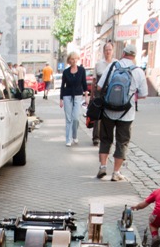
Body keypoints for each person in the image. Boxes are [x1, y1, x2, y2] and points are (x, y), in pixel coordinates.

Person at [96, 44, 148, 180]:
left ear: (123, 53)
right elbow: (143, 94)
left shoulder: (113, 66)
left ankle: (102, 167)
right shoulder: (138, 71)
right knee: (122, 142)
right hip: (127, 113)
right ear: (134, 56)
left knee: (105, 139)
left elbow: (99, 86)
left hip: (108, 110)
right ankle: (116, 173)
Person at [59, 52, 88, 147]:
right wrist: (61, 99)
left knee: (75, 117)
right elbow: (62, 86)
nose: (74, 60)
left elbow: (84, 84)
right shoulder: (66, 72)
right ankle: (68, 139)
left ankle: (74, 135)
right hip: (67, 96)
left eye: (75, 59)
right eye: (72, 59)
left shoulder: (81, 70)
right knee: (68, 118)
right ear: (69, 60)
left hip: (78, 96)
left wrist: (86, 97)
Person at [90, 42, 115, 145]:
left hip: (112, 93)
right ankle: (96, 137)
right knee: (98, 115)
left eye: (110, 50)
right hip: (100, 93)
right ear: (103, 51)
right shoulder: (99, 64)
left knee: (110, 116)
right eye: (106, 50)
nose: (108, 52)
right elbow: (94, 81)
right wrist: (92, 95)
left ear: (112, 51)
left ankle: (107, 137)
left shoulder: (116, 64)